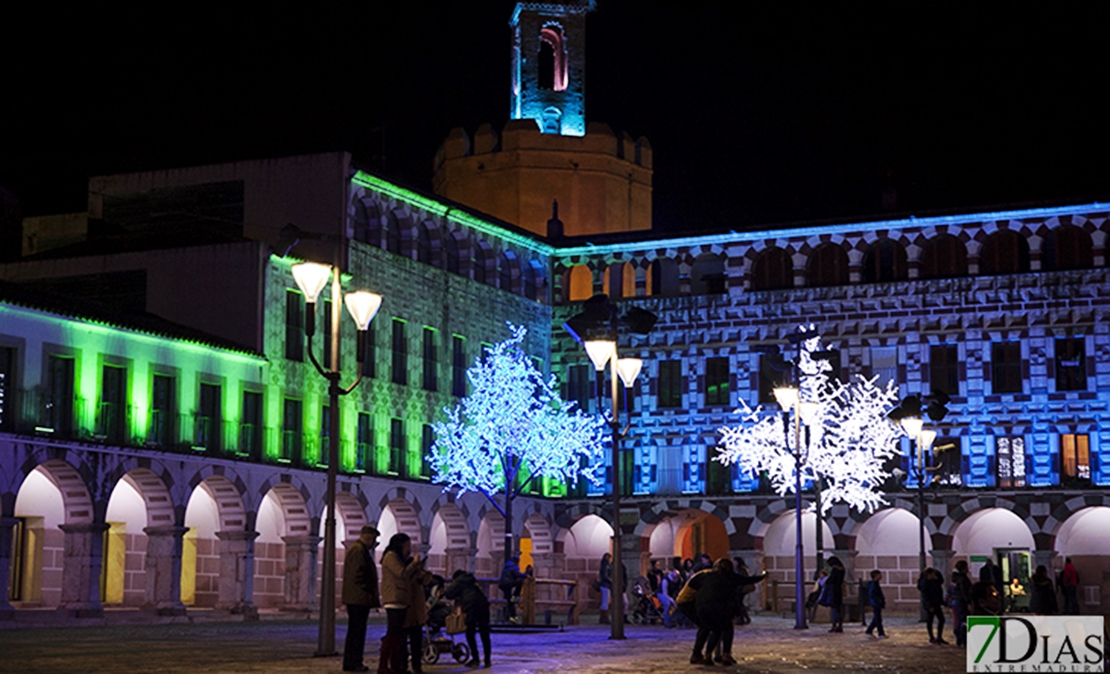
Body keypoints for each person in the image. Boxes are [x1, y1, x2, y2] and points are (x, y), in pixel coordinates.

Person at [694, 558, 767, 666]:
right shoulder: (730, 577)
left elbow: (695, 584)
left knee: (715, 630)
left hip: (701, 606)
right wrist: (762, 576)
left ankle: (707, 655)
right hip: (718, 606)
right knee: (727, 629)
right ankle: (725, 655)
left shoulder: (708, 576)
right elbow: (747, 580)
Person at [380, 533, 425, 674]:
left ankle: (396, 666)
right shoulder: (391, 556)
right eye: (407, 545)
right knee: (392, 634)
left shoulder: (398, 558)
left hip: (401, 600)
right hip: (394, 599)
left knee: (398, 635)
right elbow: (402, 574)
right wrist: (414, 564)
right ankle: (384, 666)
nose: (409, 548)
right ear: (400, 545)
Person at [342, 525, 380, 673]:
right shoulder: (359, 550)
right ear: (368, 537)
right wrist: (368, 589)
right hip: (358, 597)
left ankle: (351, 661)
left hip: (356, 597)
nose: (373, 543)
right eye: (374, 540)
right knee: (357, 632)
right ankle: (354, 662)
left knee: (355, 631)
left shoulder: (357, 549)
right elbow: (358, 574)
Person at [445, 569, 492, 668]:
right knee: (485, 634)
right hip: (483, 606)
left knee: (470, 633)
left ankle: (475, 659)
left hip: (471, 608)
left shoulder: (459, 582)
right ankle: (487, 660)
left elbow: (448, 593)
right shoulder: (472, 581)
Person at [402, 556, 433, 674]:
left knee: (417, 641)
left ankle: (417, 665)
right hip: (408, 611)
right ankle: (404, 665)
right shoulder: (407, 577)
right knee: (405, 641)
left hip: (417, 613)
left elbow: (427, 579)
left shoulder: (419, 577)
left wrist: (422, 570)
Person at [917, 567, 947, 645]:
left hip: (936, 603)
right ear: (929, 574)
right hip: (930, 604)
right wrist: (929, 605)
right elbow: (925, 595)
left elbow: (941, 581)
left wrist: (938, 573)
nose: (934, 575)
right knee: (930, 621)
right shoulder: (924, 582)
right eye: (933, 574)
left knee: (941, 620)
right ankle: (931, 638)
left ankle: (939, 637)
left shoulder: (934, 581)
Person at [498, 554, 528, 623]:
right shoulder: (514, 566)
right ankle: (515, 597)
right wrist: (525, 575)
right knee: (519, 583)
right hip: (508, 583)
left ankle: (512, 618)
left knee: (510, 602)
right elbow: (517, 574)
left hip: (503, 584)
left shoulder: (507, 565)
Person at [951, 560, 972, 646]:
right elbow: (964, 592)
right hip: (962, 602)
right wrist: (969, 602)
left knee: (960, 620)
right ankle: (963, 638)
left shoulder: (957, 578)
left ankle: (960, 638)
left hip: (958, 601)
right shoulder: (962, 578)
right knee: (963, 620)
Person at [824, 556, 846, 633]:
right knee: (839, 609)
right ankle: (840, 625)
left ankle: (834, 625)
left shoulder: (835, 570)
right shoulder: (842, 570)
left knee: (834, 609)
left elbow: (831, 580)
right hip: (839, 590)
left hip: (833, 591)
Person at [865, 569, 886, 639]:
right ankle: (881, 633)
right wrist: (878, 600)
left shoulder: (875, 583)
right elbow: (872, 593)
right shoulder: (874, 584)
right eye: (879, 574)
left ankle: (869, 630)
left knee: (876, 618)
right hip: (875, 603)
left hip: (876, 602)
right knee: (878, 619)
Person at [598, 552, 613, 624]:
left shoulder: (605, 565)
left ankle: (604, 617)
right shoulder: (606, 565)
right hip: (605, 585)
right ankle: (604, 618)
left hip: (606, 585)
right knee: (605, 601)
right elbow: (605, 575)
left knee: (606, 601)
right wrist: (612, 581)